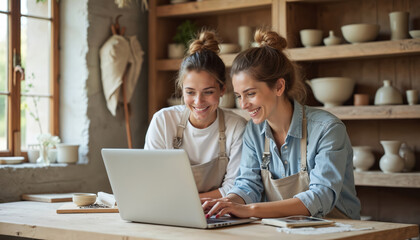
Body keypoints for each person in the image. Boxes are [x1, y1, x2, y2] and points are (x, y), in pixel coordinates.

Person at [202, 29, 361, 219]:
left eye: (250, 94)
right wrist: (228, 203)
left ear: (279, 86)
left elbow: (321, 197)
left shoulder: (327, 129)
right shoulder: (254, 131)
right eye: (238, 96)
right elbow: (248, 185)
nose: (243, 105)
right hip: (282, 229)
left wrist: (250, 210)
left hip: (337, 229)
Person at [144, 30, 247, 199]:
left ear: (222, 90)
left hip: (216, 212)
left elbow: (234, 187)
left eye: (208, 92)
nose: (198, 101)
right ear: (182, 91)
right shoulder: (163, 121)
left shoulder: (236, 127)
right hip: (167, 209)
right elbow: (152, 179)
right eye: (190, 92)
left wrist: (188, 201)